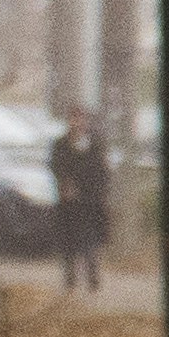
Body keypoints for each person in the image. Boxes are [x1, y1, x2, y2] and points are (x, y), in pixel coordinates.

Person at [50, 112, 113, 295]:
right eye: (73, 118)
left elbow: (102, 170)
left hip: (90, 202)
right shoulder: (60, 144)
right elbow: (55, 166)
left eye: (80, 119)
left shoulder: (95, 143)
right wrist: (64, 183)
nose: (77, 123)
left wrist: (98, 192)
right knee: (68, 242)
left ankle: (93, 278)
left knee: (89, 241)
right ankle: (70, 279)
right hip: (69, 203)